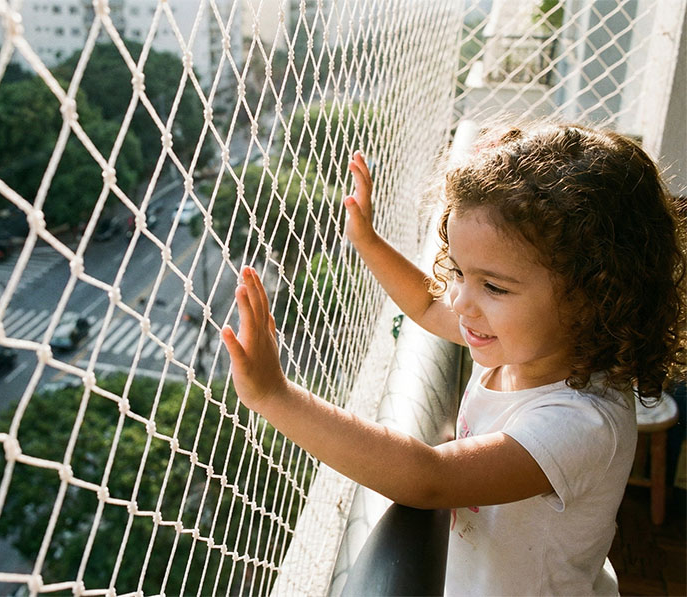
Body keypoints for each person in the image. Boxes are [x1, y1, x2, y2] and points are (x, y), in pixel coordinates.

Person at [221, 121, 687, 595]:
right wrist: (367, 241)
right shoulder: (519, 343)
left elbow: (431, 479)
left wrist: (274, 396)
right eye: (460, 272)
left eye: (494, 286)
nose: (462, 302)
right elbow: (427, 306)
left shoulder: (580, 422)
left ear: (594, 295)